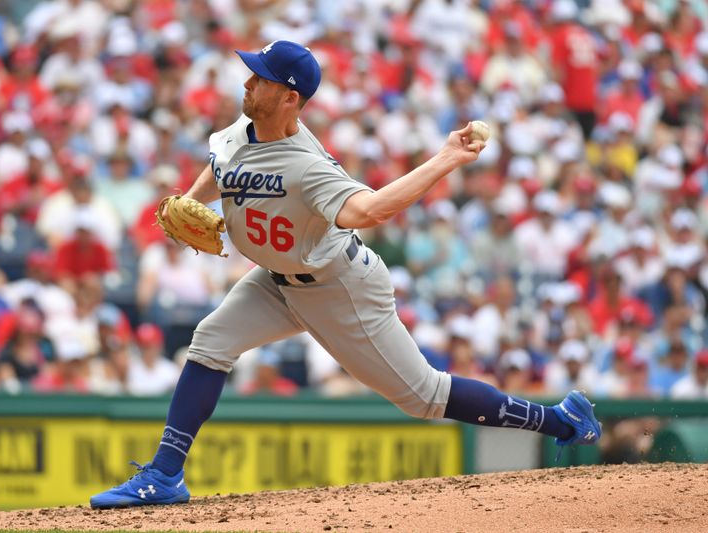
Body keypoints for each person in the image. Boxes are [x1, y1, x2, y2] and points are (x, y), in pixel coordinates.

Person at [90, 40, 602, 509]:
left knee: (424, 396)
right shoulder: (236, 131)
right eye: (250, 73)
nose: (247, 83)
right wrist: (188, 200)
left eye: (261, 78)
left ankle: (559, 419)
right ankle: (165, 474)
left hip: (339, 287)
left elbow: (371, 210)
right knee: (209, 341)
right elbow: (219, 164)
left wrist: (446, 158)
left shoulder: (309, 166)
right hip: (275, 281)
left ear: (290, 98)